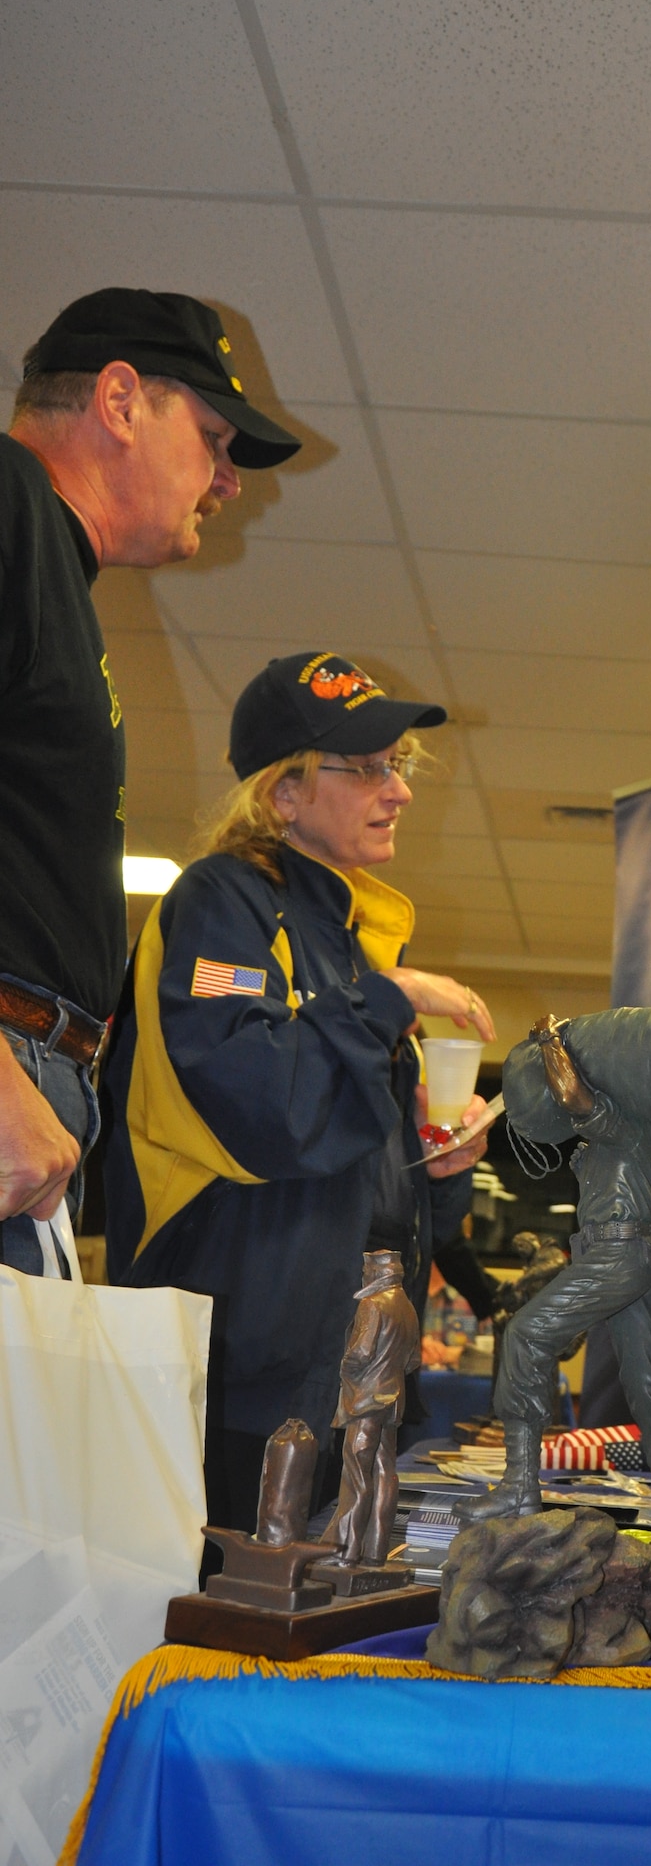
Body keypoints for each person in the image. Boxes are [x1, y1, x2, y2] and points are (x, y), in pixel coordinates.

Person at [101, 650, 495, 1541]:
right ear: (282, 794)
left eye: (397, 766)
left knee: (323, 1634)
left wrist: (439, 1162)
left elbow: (367, 1172)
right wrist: (391, 1002)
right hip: (242, 1367)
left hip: (350, 1370)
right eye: (364, 768)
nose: (395, 791)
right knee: (227, 1629)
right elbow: (267, 1111)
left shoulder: (356, 944)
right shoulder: (221, 904)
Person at [0, 287, 301, 1275]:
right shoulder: (9, 506)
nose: (228, 480)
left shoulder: (54, 568)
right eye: (213, 436)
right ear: (121, 400)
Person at [455, 1014, 651, 1556]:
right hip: (637, 1256)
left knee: (525, 1335)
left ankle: (520, 1489)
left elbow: (573, 1095)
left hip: (617, 1253)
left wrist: (549, 1038)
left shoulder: (627, 1120)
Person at [322, 1249, 421, 1569]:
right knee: (385, 1474)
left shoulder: (372, 1304)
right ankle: (376, 1550)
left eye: (366, 1273)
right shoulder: (407, 1306)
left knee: (355, 1476)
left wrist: (347, 1374)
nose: (364, 1277)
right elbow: (413, 1361)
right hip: (393, 1403)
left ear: (376, 1275)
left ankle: (343, 1551)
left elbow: (359, 1354)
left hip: (366, 1400)